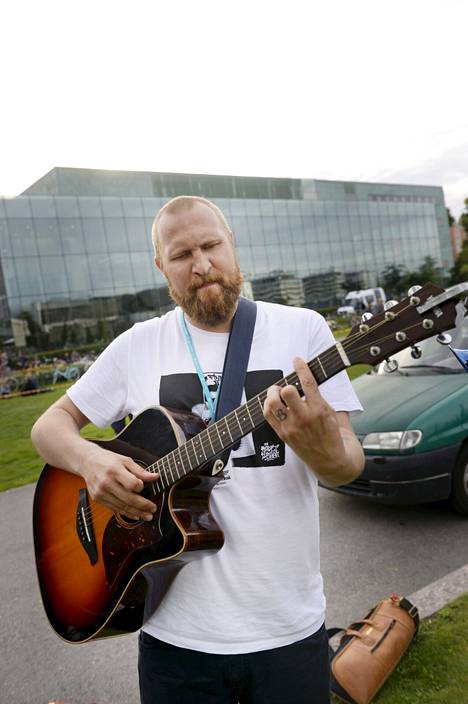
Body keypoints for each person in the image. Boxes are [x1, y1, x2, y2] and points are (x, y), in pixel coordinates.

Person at [31, 196, 364, 704]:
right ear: (161, 267)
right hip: (175, 644)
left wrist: (320, 450)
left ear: (232, 245)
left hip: (288, 633)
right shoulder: (136, 345)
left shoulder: (304, 332)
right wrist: (91, 461)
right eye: (182, 254)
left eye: (211, 245)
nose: (202, 264)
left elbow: (347, 466)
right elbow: (47, 428)